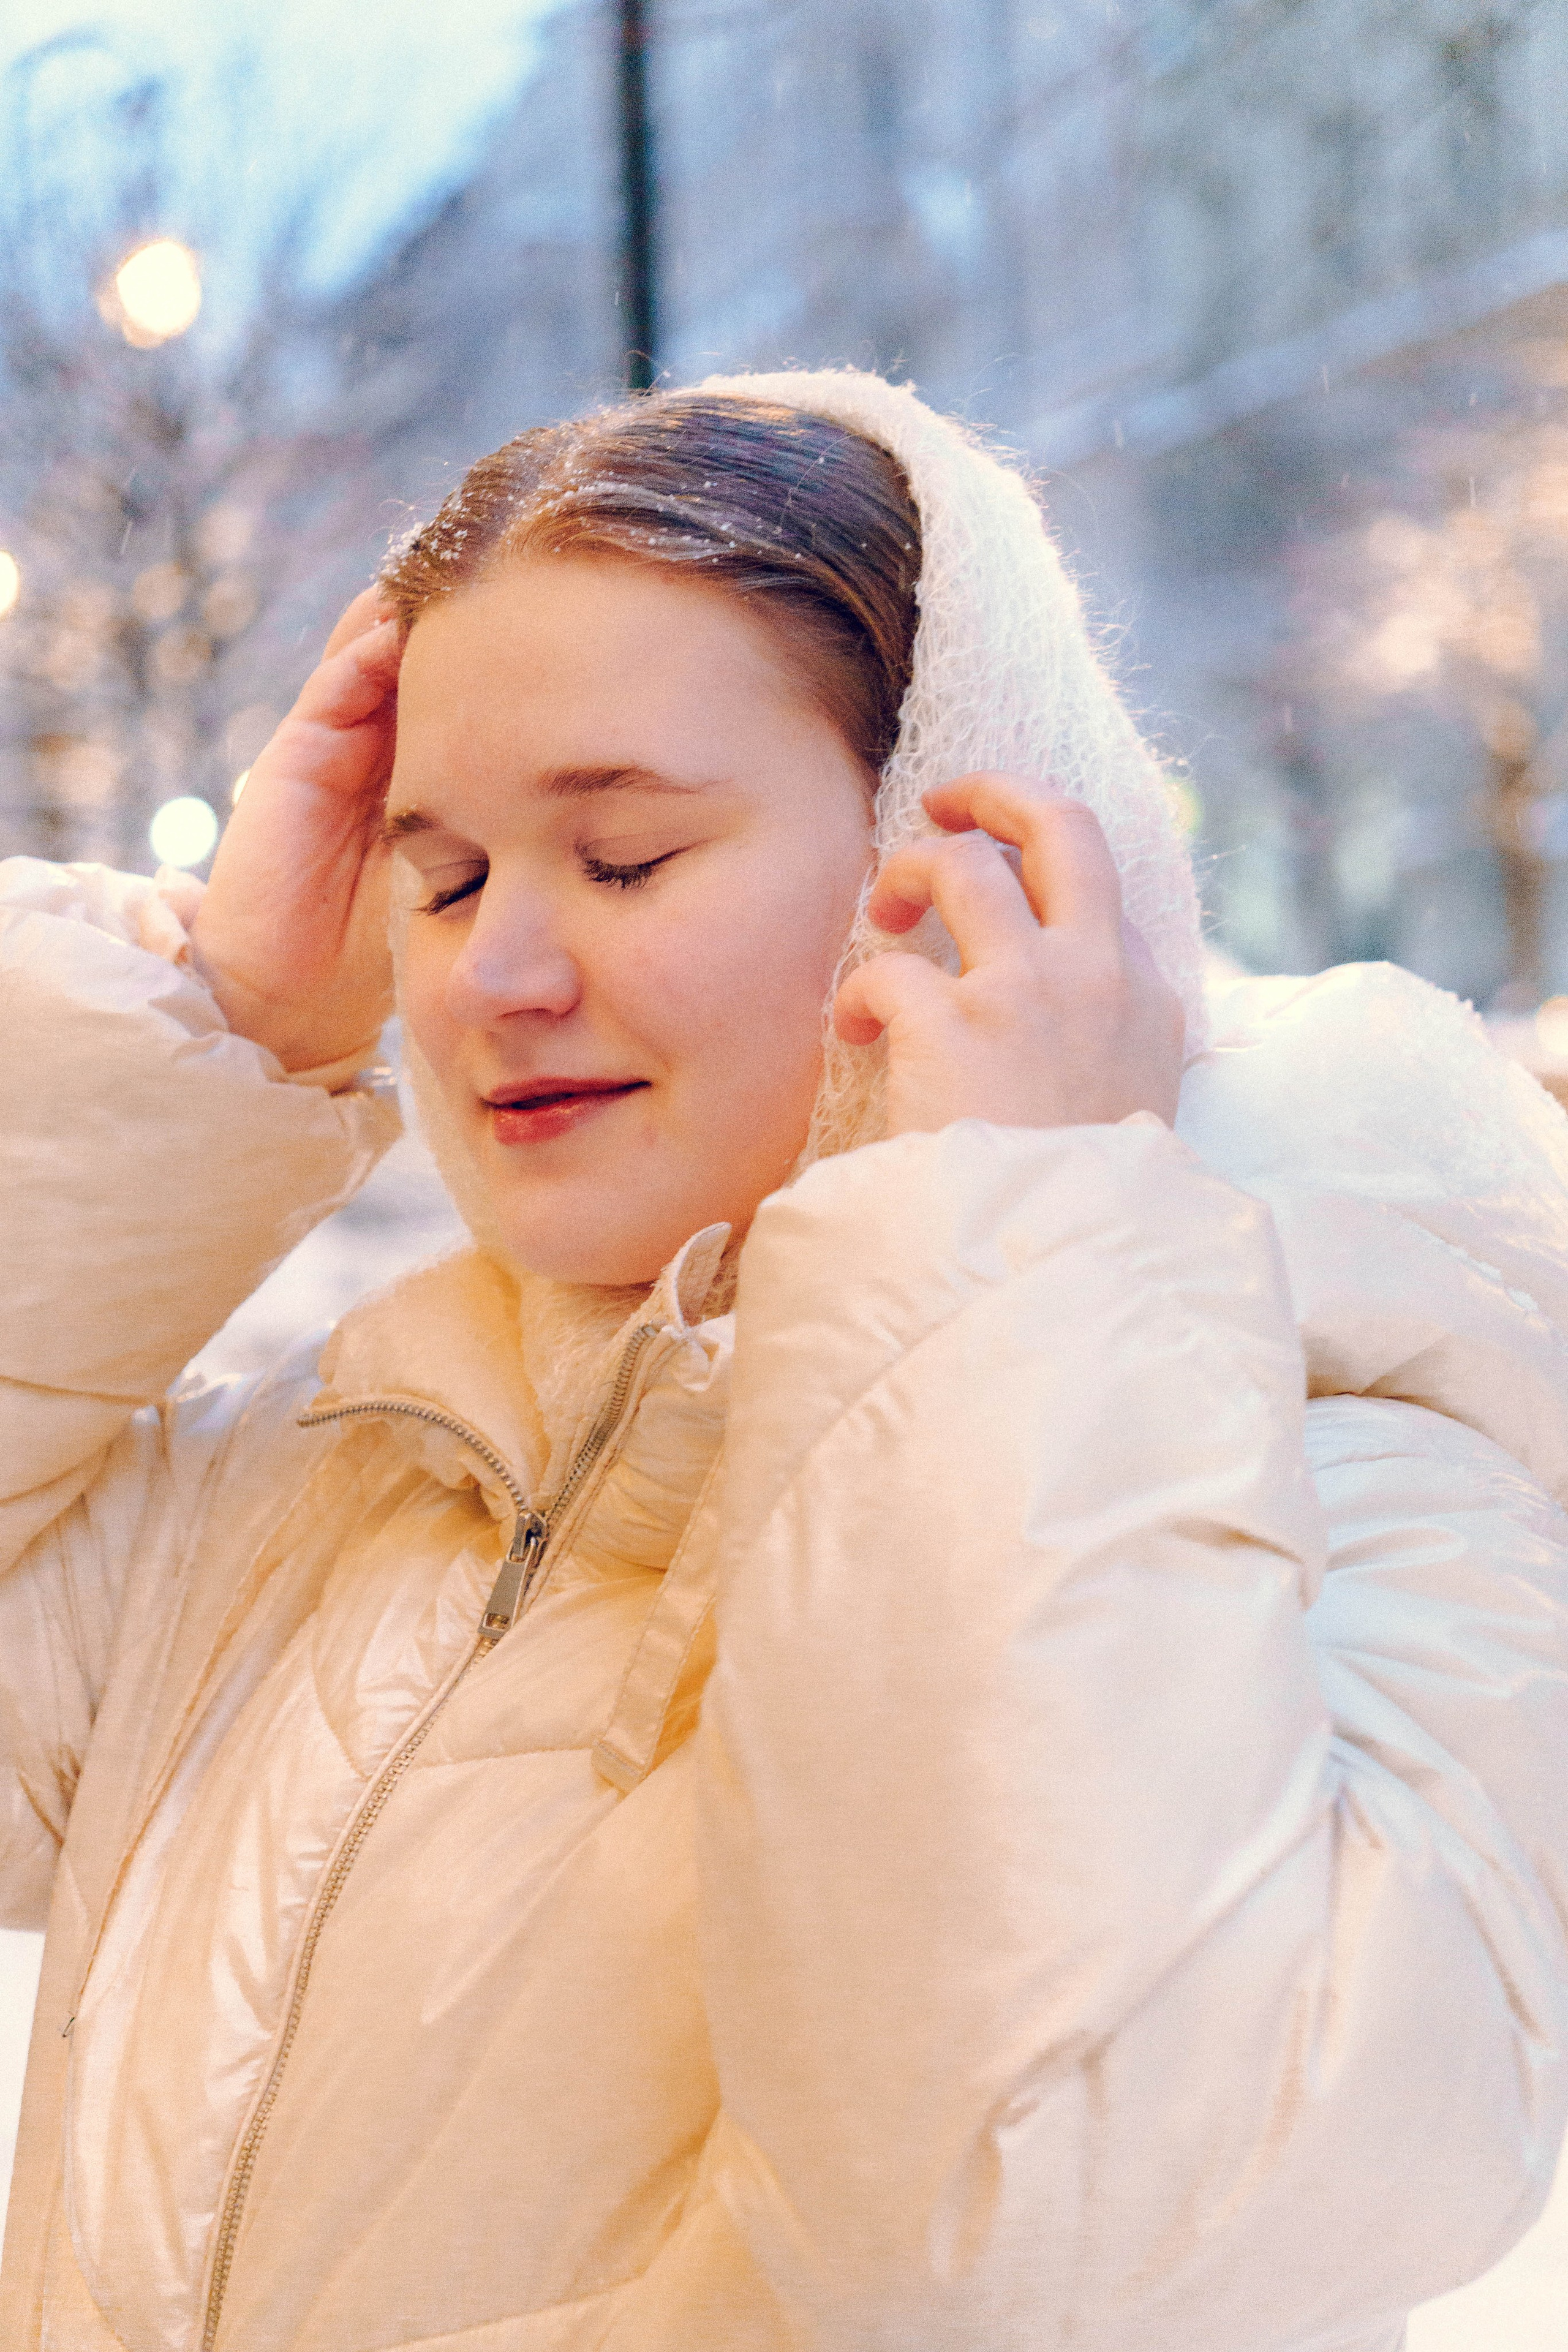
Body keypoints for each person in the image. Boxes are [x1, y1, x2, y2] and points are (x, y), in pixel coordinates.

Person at [4, 371, 1568, 2352]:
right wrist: (196, 1020)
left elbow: (1065, 2234)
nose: (498, 972)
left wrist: (1007, 1234)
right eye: (447, 875)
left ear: (951, 845)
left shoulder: (1357, 1486)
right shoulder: (338, 1477)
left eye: (629, 857)